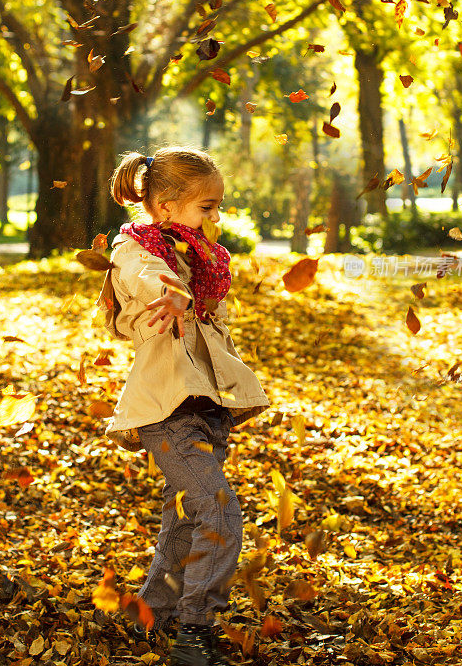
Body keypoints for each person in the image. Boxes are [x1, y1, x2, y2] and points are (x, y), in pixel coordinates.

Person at [97, 146, 269, 666]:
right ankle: (196, 625)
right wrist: (172, 292)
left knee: (184, 514)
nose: (215, 218)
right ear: (167, 206)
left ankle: (152, 610)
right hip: (165, 411)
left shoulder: (196, 252)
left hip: (207, 409)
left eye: (218, 208)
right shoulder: (135, 249)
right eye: (207, 207)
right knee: (217, 509)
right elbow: (146, 275)